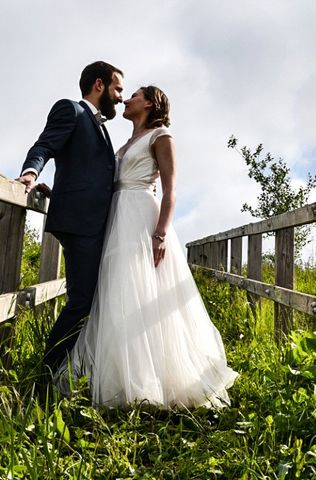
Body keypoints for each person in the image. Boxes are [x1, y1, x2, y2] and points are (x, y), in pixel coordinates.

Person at [65, 86, 238, 408]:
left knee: (143, 290)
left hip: (141, 217)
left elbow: (171, 191)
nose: (126, 99)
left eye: (133, 95)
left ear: (149, 103)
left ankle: (157, 380)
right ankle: (119, 374)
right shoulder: (125, 144)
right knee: (116, 290)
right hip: (116, 216)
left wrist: (159, 234)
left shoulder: (161, 137)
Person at [17, 61, 124, 374]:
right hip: (80, 223)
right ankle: (48, 371)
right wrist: (30, 172)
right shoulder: (72, 110)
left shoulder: (100, 126)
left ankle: (74, 367)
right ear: (99, 84)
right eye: (117, 88)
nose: (120, 96)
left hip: (94, 222)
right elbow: (45, 145)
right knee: (81, 301)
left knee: (87, 298)